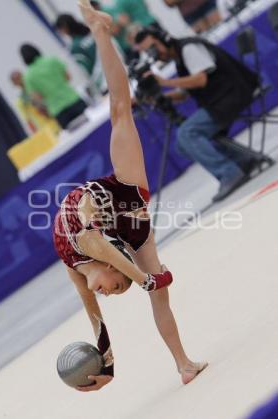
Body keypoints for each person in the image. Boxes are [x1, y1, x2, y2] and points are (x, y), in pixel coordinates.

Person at [53, 0, 208, 392]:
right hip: (127, 205)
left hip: (97, 203)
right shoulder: (120, 254)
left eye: (110, 290)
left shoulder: (76, 265)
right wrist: (145, 280)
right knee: (122, 109)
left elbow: (95, 313)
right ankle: (184, 364)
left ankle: (100, 30)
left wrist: (105, 361)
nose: (108, 294)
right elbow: (109, 252)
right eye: (117, 288)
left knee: (120, 110)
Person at [134, 27, 260, 202]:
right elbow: (185, 93)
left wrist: (164, 82)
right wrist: (156, 98)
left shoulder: (188, 48)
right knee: (183, 145)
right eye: (148, 51)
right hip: (221, 99)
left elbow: (201, 80)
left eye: (153, 46)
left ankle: (229, 173)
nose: (154, 53)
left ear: (165, 38)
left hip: (234, 93)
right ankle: (244, 160)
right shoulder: (179, 58)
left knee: (187, 133)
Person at [20, 44, 87, 129]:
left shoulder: (28, 77)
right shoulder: (52, 60)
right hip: (73, 99)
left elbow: (37, 97)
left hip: (57, 110)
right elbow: (68, 77)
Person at [10, 70, 59, 135]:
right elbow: (28, 121)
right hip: (48, 129)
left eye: (20, 77)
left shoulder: (39, 87)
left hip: (59, 118)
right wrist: (38, 134)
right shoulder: (21, 101)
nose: (20, 80)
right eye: (17, 80)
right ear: (15, 84)